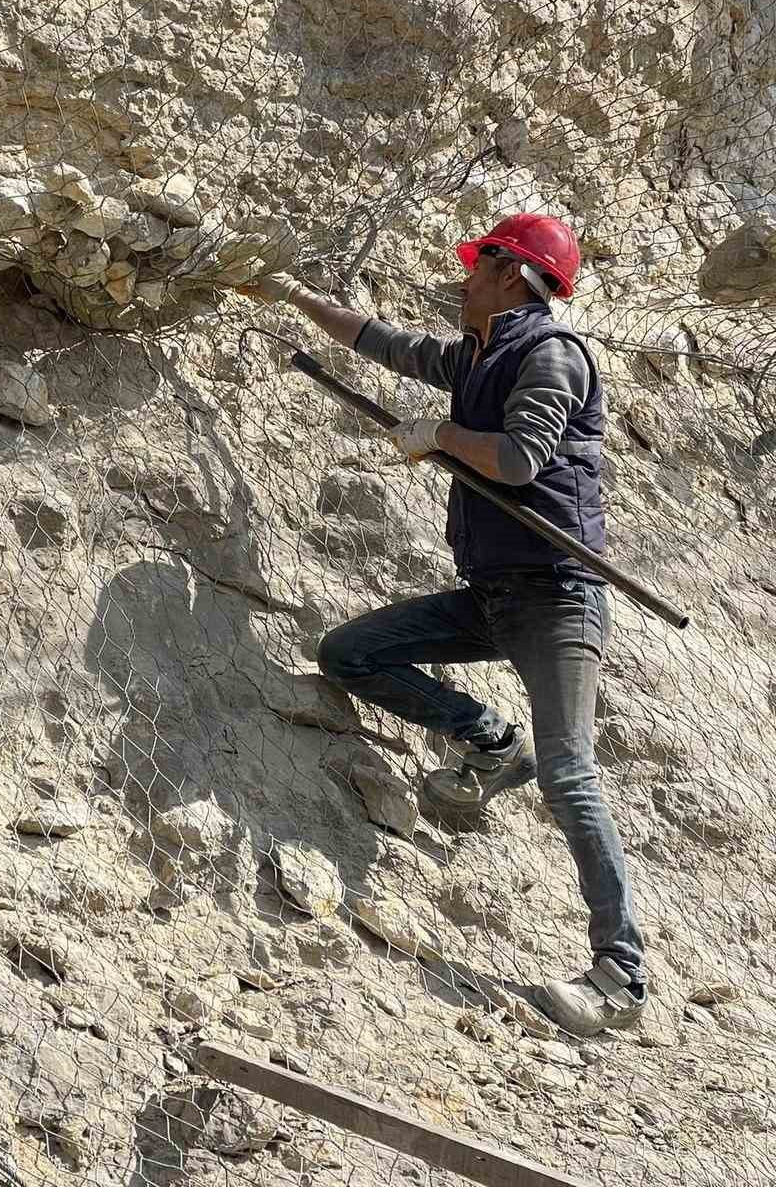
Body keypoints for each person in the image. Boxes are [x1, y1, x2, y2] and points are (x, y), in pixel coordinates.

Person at [245, 214, 646, 1038]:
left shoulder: (551, 354)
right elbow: (383, 343)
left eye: (477, 263)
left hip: (558, 599)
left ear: (512, 273)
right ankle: (493, 741)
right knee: (351, 653)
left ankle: (620, 976)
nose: (463, 277)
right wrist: (291, 295)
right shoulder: (476, 354)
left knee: (571, 774)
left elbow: (520, 460)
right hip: (493, 594)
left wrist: (439, 437)